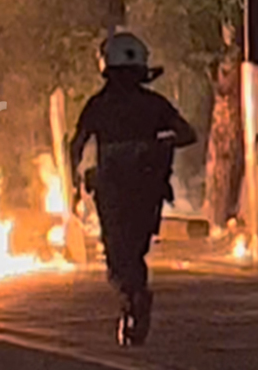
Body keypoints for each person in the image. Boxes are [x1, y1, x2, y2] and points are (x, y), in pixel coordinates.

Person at [69, 33, 197, 346]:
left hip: (114, 190)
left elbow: (77, 143)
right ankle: (134, 301)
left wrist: (74, 181)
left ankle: (132, 298)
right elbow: (186, 134)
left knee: (119, 251)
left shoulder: (99, 104)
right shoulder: (153, 104)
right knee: (134, 249)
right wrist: (154, 145)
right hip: (145, 190)